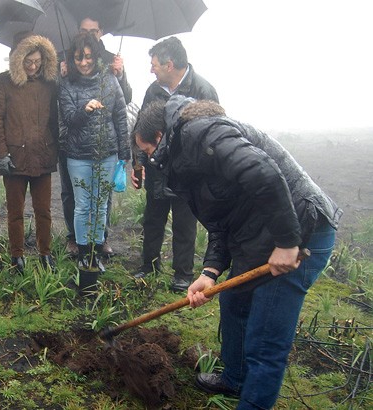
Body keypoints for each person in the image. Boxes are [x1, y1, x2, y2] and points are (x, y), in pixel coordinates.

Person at [132, 96, 342, 410]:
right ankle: (235, 378)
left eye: (147, 152)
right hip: (262, 233)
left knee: (265, 339)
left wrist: (287, 243)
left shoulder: (200, 132)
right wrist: (210, 272)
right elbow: (220, 219)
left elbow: (263, 173)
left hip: (303, 232)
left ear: (159, 138)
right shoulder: (186, 156)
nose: (149, 161)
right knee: (234, 300)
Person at [132, 36, 219, 293]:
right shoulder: (153, 91)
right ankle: (149, 266)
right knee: (152, 219)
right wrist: (139, 164)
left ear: (169, 65)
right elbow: (142, 130)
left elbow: (215, 133)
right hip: (158, 170)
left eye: (154, 64)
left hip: (189, 173)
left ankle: (183, 274)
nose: (151, 70)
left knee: (185, 223)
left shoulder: (203, 91)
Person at [59, 15, 133, 258]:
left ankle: (98, 249)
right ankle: (83, 252)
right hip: (78, 155)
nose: (83, 62)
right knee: (82, 206)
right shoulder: (67, 84)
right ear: (73, 57)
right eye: (79, 57)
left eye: (88, 57)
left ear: (96, 56)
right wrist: (85, 110)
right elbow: (68, 119)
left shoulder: (110, 80)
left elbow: (121, 117)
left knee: (100, 206)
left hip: (107, 154)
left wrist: (125, 155)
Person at [0, 32, 59, 273]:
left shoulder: (50, 85)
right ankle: (16, 256)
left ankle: (45, 254)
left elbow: (56, 121)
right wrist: (1, 153)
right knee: (15, 211)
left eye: (37, 62)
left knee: (44, 210)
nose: (32, 67)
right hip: (14, 157)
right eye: (27, 62)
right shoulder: (2, 82)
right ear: (16, 59)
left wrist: (54, 149)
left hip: (43, 155)